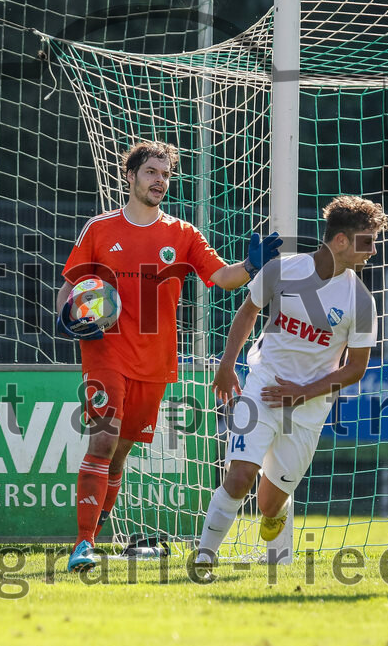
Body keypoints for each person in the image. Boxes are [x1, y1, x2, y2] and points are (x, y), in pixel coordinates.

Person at [57, 140, 282, 572]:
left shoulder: (182, 234)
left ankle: (96, 523)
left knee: (120, 453)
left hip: (155, 362)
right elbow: (71, 287)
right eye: (150, 173)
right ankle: (83, 544)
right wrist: (66, 319)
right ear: (130, 176)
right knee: (103, 439)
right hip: (104, 351)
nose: (159, 181)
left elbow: (222, 276)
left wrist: (251, 267)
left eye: (165, 175)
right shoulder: (100, 229)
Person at [195, 196, 388, 565]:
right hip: (263, 385)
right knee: (238, 479)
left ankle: (275, 512)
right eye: (368, 241)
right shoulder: (282, 269)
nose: (373, 251)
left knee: (269, 505)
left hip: (308, 406)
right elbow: (249, 310)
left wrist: (302, 393)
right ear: (342, 241)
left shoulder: (361, 302)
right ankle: (204, 558)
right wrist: (227, 364)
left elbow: (355, 368)